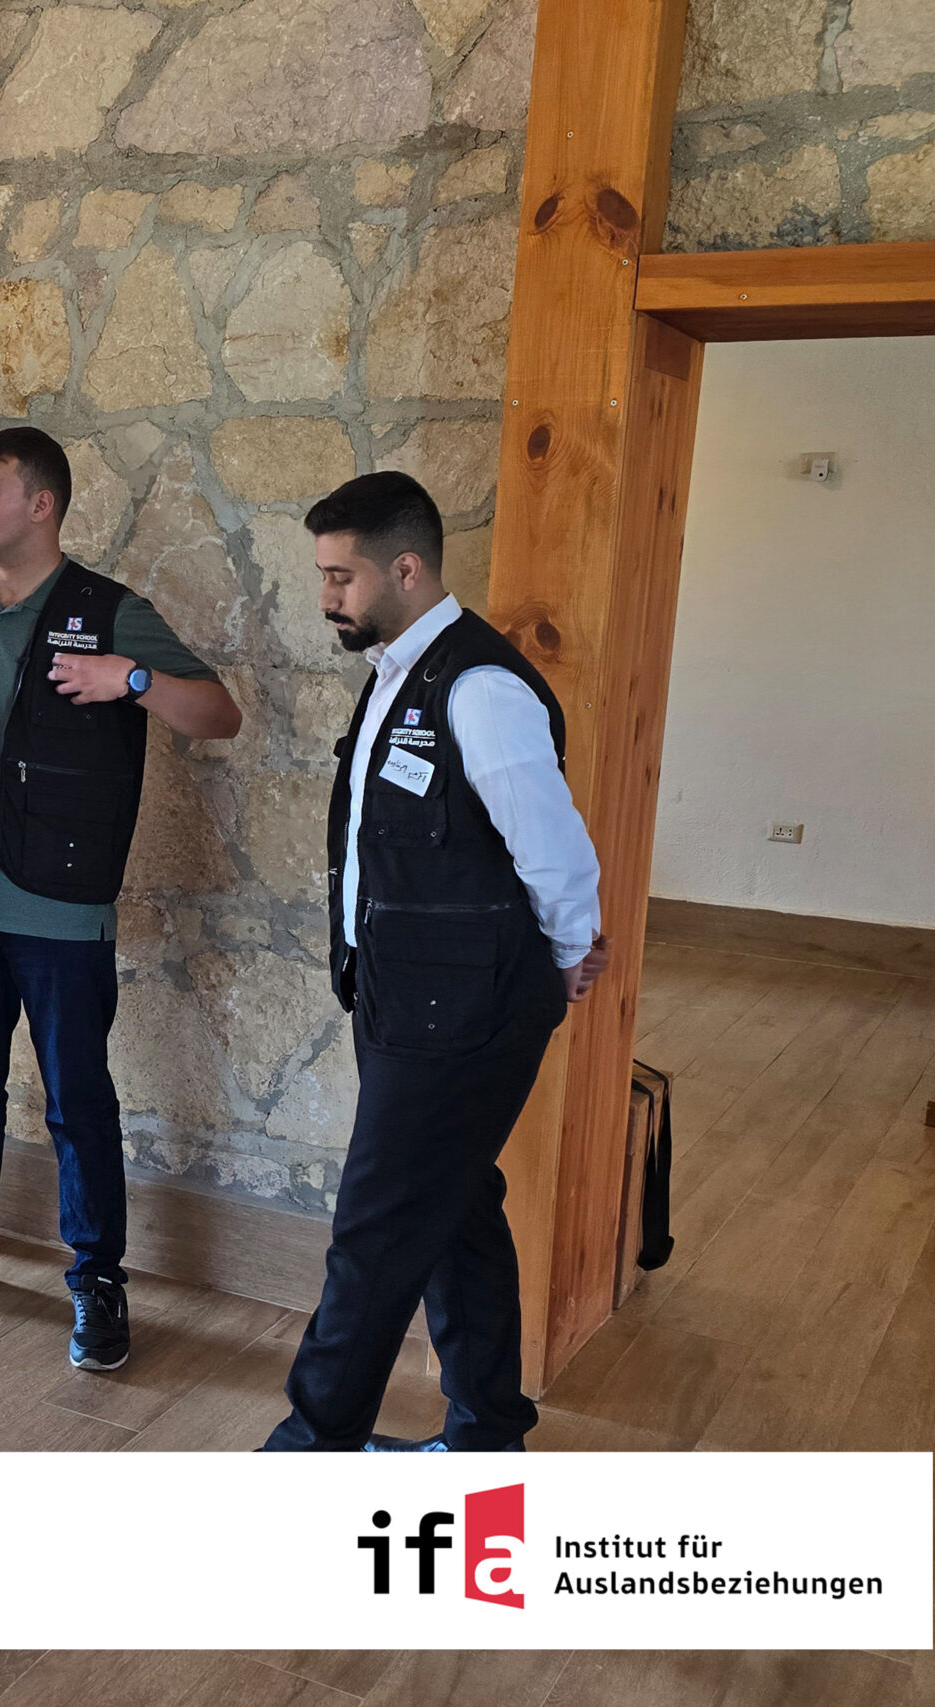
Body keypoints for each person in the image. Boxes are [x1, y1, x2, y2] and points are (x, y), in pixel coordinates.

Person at [0, 427, 242, 1374]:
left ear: (41, 504)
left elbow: (219, 714)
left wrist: (131, 679)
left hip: (60, 912)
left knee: (77, 1100)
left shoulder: (109, 613)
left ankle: (98, 1276)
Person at [263, 470, 607, 1453]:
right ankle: (486, 1431)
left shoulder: (481, 688)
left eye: (342, 576)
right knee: (453, 1207)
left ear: (406, 569)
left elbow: (553, 850)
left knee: (374, 1229)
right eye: (323, 575)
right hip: (402, 993)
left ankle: (312, 1446)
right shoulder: (398, 673)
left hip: (462, 1009)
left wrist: (567, 955)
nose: (326, 595)